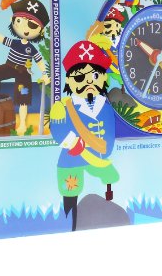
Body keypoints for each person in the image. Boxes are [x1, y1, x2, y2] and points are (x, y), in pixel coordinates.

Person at [50, 40, 119, 231]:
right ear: (69, 81)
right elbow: (58, 131)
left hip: (99, 158)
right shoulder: (64, 107)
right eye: (80, 77)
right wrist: (74, 144)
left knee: (109, 183)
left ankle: (107, 216)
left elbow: (110, 133)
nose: (89, 82)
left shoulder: (105, 107)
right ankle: (68, 224)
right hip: (71, 160)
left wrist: (105, 152)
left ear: (103, 78)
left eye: (95, 76)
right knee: (70, 193)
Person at [0, 0, 50, 135]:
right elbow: (2, 39)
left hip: (23, 73)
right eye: (19, 21)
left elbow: (39, 61)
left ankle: (23, 125)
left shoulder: (31, 48)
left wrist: (45, 74)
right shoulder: (14, 43)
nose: (24, 28)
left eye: (31, 25)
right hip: (9, 66)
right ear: (13, 21)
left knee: (23, 100)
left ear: (40, 31)